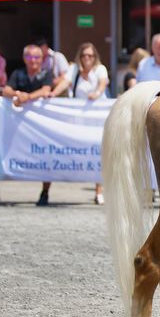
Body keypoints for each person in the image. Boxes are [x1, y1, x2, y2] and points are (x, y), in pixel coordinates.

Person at [48, 43, 109, 205]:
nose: (87, 59)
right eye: (84, 55)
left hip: (97, 117)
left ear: (95, 57)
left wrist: (96, 93)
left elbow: (102, 84)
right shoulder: (74, 69)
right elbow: (65, 82)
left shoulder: (100, 69)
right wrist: (53, 93)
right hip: (79, 118)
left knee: (98, 150)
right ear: (80, 57)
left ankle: (99, 190)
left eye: (90, 56)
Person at [2, 44, 54, 205]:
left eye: (37, 57)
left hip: (42, 125)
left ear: (42, 59)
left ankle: (45, 191)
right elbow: (6, 90)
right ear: (24, 58)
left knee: (47, 155)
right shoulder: (18, 73)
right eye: (30, 57)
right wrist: (17, 94)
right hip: (20, 126)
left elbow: (46, 90)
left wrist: (27, 97)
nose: (33, 60)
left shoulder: (46, 73)